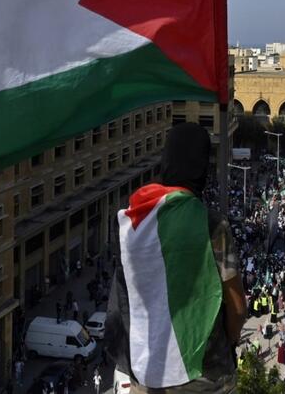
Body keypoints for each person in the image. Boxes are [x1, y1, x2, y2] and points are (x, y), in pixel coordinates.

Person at [108, 123, 247, 394]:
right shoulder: (211, 224)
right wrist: (229, 342)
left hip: (147, 370)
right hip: (203, 374)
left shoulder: (132, 220)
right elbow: (237, 306)